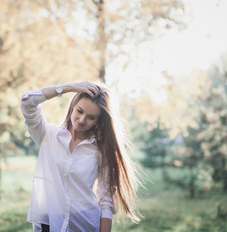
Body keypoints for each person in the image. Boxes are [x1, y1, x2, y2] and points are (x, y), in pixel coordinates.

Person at [21, 81, 141, 232]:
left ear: (98, 120)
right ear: (73, 106)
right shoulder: (48, 136)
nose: (82, 119)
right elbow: (27, 102)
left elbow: (106, 200)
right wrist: (67, 88)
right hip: (49, 224)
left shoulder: (100, 149)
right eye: (80, 111)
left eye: (91, 117)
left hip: (85, 225)